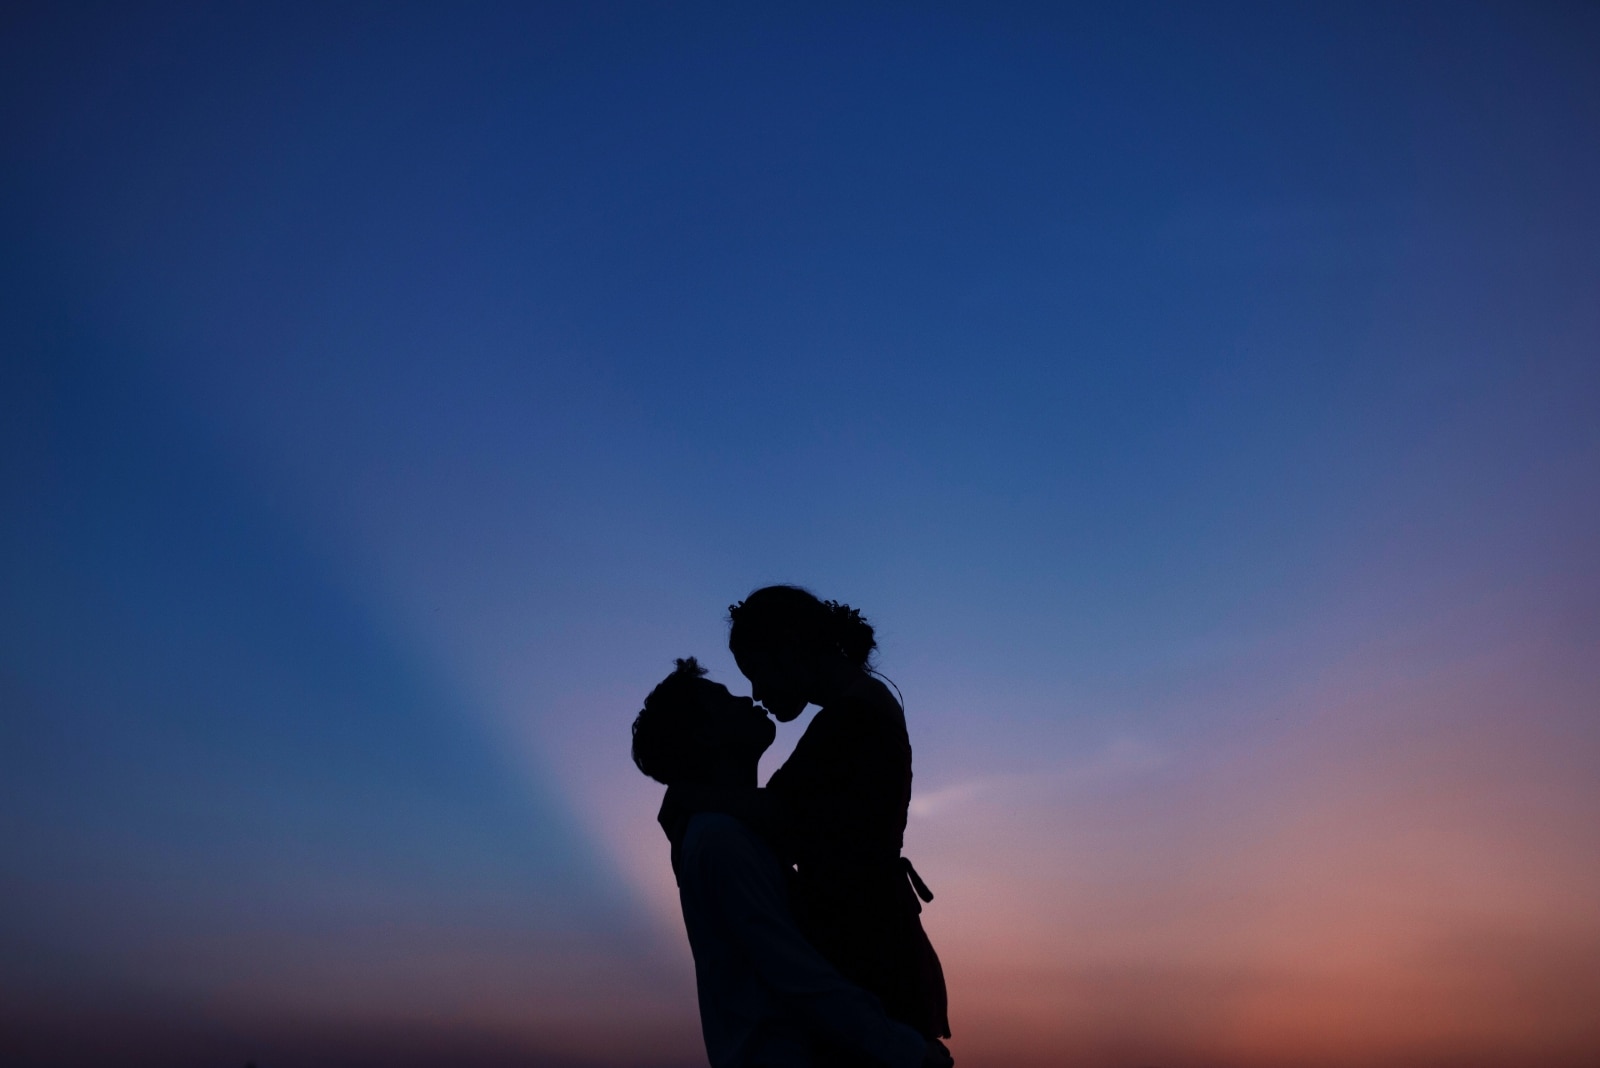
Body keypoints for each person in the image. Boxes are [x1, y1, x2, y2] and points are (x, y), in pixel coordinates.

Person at [631, 657, 954, 1068]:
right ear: (705, 736)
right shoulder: (719, 840)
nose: (746, 698)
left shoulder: (737, 833)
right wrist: (907, 1051)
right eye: (723, 699)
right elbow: (795, 975)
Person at [728, 586, 950, 1044]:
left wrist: (696, 796)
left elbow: (777, 818)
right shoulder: (857, 709)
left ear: (789, 650)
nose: (755, 691)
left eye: (757, 671)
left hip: (867, 953)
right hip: (872, 944)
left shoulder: (854, 718)